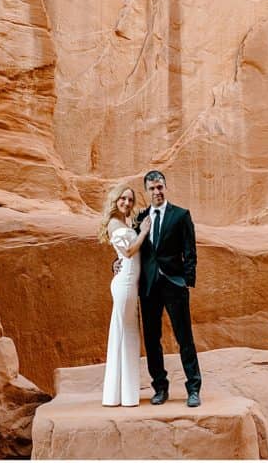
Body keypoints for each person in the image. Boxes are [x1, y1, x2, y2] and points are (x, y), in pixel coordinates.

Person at [135, 170, 203, 407]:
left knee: (184, 338)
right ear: (146, 191)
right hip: (149, 287)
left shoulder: (181, 215)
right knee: (153, 339)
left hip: (174, 284)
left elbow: (190, 251)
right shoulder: (140, 219)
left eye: (160, 187)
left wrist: (186, 280)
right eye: (152, 188)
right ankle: (160, 388)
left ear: (166, 187)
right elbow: (134, 250)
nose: (157, 192)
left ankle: (193, 388)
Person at [98, 183, 151, 407]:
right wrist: (144, 232)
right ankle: (117, 395)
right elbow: (128, 251)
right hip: (125, 283)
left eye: (130, 199)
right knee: (124, 332)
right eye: (123, 199)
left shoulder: (126, 222)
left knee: (128, 332)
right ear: (115, 199)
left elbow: (124, 254)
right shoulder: (113, 223)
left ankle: (126, 395)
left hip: (130, 282)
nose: (127, 203)